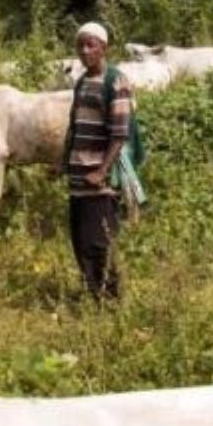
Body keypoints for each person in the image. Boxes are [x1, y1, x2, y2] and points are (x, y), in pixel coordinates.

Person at [61, 22, 133, 300]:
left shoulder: (116, 82)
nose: (84, 50)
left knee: (99, 241)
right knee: (79, 240)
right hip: (78, 176)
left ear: (104, 48)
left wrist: (102, 171)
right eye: (80, 45)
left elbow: (119, 134)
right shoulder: (81, 82)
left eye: (91, 45)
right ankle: (94, 294)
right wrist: (62, 162)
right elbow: (74, 126)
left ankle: (110, 299)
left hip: (99, 180)